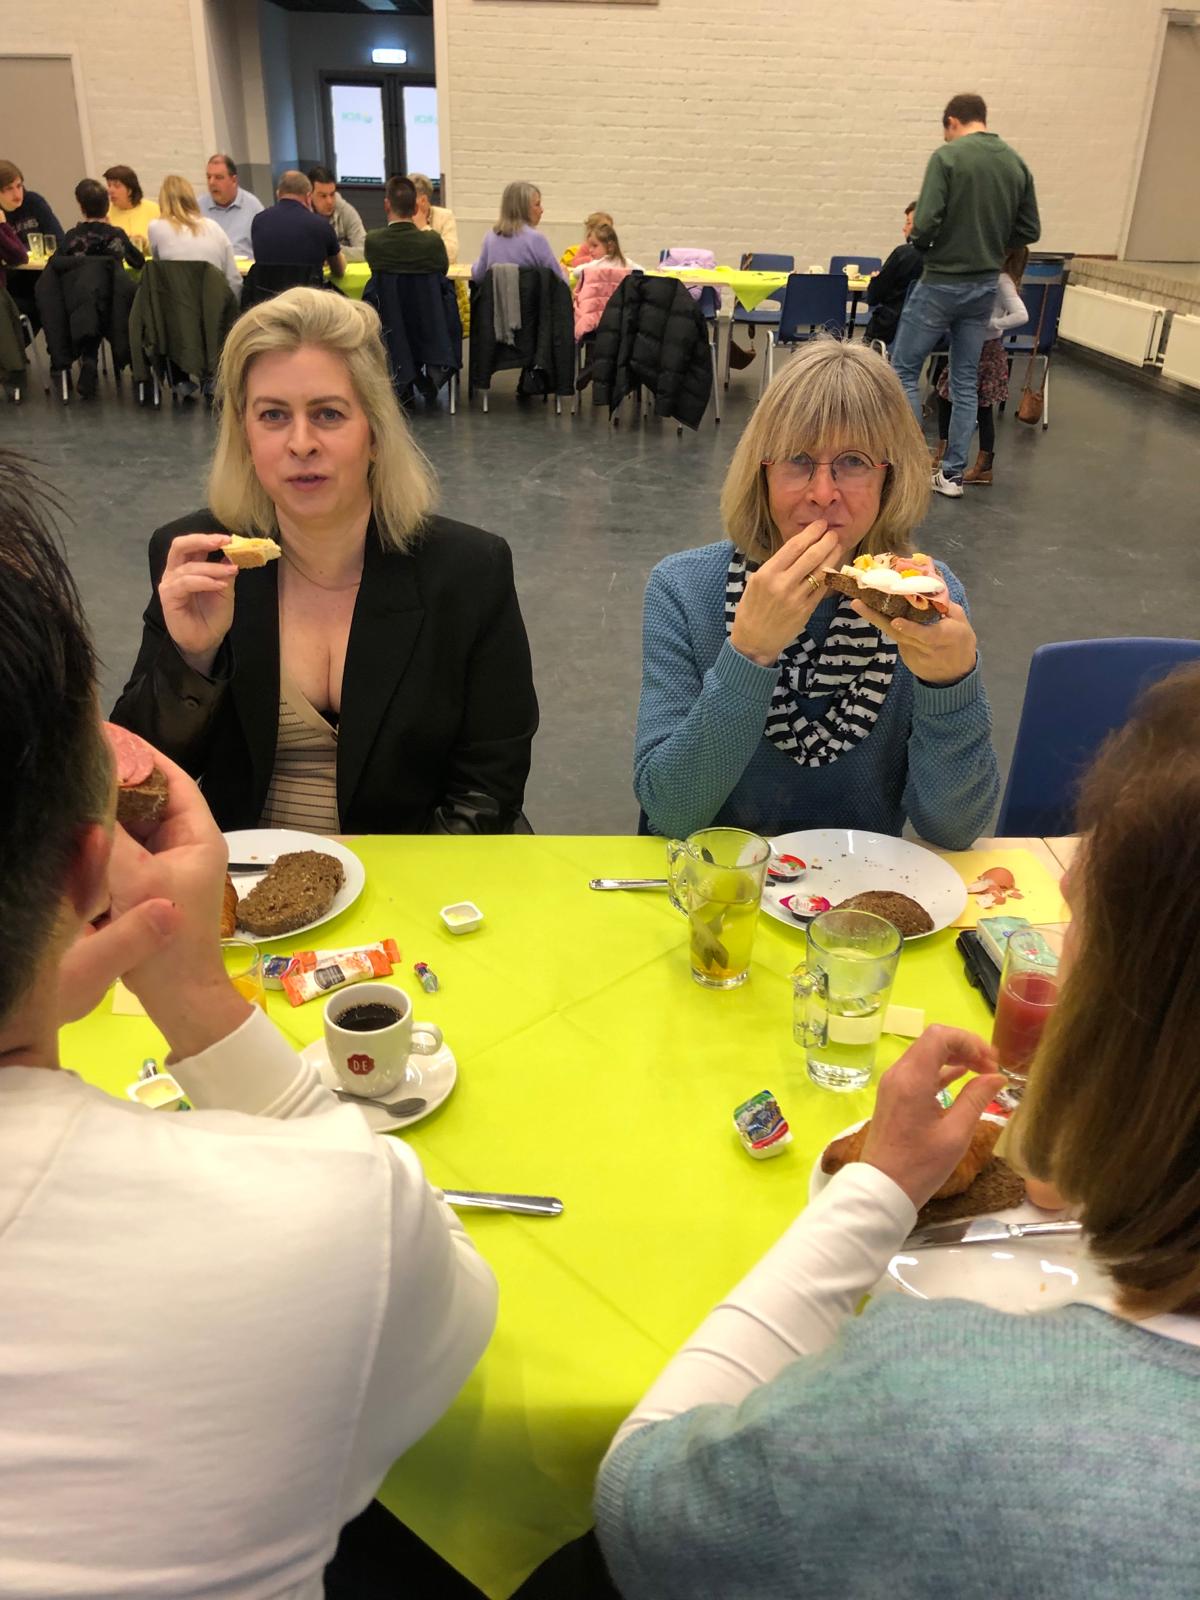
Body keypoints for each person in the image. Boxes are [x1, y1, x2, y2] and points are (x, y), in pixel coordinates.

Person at [0, 449, 498, 1597]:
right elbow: (451, 1316)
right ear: (89, 866)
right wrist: (193, 992)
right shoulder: (325, 1222)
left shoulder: (458, 571)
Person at [597, 663, 1200, 1600]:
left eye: (1073, 918)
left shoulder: (946, 1400)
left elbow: (642, 1501)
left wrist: (874, 1191)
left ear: (1135, 1017)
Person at [112, 287, 538, 834]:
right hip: (246, 873)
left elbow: (489, 784)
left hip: (410, 871)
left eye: (329, 414)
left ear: (375, 432)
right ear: (244, 434)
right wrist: (191, 660)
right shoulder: (198, 557)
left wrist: (402, 881)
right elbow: (139, 781)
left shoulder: (468, 571)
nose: (301, 443)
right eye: (272, 415)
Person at [634, 337, 998, 848]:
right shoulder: (685, 589)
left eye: (854, 462)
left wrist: (951, 685)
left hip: (861, 889)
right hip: (724, 883)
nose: (823, 493)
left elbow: (954, 829)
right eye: (798, 459)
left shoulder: (928, 600)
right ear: (761, 472)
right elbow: (670, 812)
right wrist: (749, 653)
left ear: (890, 478)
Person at [889, 93, 1040, 499]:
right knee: (965, 379)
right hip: (983, 286)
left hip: (941, 281)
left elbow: (924, 224)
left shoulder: (948, 157)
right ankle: (953, 476)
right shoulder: (1015, 163)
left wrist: (930, 243)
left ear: (952, 122)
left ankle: (913, 464)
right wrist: (991, 242)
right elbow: (1029, 230)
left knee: (902, 370)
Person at [933, 245, 1029, 486]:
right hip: (974, 344)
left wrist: (993, 323)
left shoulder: (1001, 280)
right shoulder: (994, 277)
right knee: (947, 395)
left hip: (983, 348)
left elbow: (1021, 314)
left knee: (980, 407)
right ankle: (949, 453)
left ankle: (980, 465)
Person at [148, 173, 242, 297]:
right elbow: (234, 280)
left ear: (163, 201)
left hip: (176, 304)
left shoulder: (155, 227)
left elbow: (157, 270)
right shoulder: (214, 227)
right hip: (214, 303)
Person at [0, 161, 64, 331]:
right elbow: (16, 256)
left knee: (51, 300)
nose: (16, 194)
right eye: (8, 189)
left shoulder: (33, 202)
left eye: (19, 186)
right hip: (11, 285)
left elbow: (58, 239)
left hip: (41, 277)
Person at [251, 170, 345, 278]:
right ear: (308, 197)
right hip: (308, 289)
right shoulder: (322, 226)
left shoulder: (258, 221)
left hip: (267, 289)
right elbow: (339, 271)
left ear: (278, 194)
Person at [471, 180, 566, 282]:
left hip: (496, 292)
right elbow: (559, 280)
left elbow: (478, 276)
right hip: (531, 292)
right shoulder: (536, 240)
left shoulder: (490, 238)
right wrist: (565, 274)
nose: (542, 210)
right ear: (523, 209)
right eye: (537, 204)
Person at [862, 201, 922, 348]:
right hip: (935, 332)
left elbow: (873, 297)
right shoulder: (946, 257)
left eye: (908, 223)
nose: (904, 228)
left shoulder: (903, 254)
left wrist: (876, 280)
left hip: (894, 329)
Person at [364, 175, 449, 276]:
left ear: (386, 205)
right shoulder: (433, 241)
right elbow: (443, 271)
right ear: (416, 208)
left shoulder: (373, 241)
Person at [64, 177, 145, 268]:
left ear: (82, 208)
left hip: (81, 277)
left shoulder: (72, 236)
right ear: (107, 206)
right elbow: (139, 262)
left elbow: (56, 264)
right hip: (112, 277)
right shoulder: (116, 235)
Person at [198, 152, 264, 257]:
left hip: (244, 266)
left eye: (218, 177)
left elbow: (264, 248)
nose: (211, 182)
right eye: (209, 177)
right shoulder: (198, 207)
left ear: (234, 180)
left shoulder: (253, 207)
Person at [308, 164, 366, 261]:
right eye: (323, 196)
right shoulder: (301, 215)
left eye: (332, 194)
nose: (329, 201)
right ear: (309, 196)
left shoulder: (346, 211)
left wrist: (332, 251)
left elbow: (365, 252)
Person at [103, 163, 160, 249]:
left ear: (130, 190)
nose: (110, 190)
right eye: (109, 185)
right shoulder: (105, 212)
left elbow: (164, 243)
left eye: (116, 186)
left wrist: (145, 243)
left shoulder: (154, 209)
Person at [410, 172, 459, 263]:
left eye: (409, 199)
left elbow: (451, 255)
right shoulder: (403, 216)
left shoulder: (445, 216)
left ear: (423, 200)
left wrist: (424, 227)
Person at [572, 222, 642, 274]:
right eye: (590, 246)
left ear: (610, 246)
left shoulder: (596, 264)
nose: (590, 250)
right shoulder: (625, 262)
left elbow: (576, 272)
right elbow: (642, 271)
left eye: (595, 246)